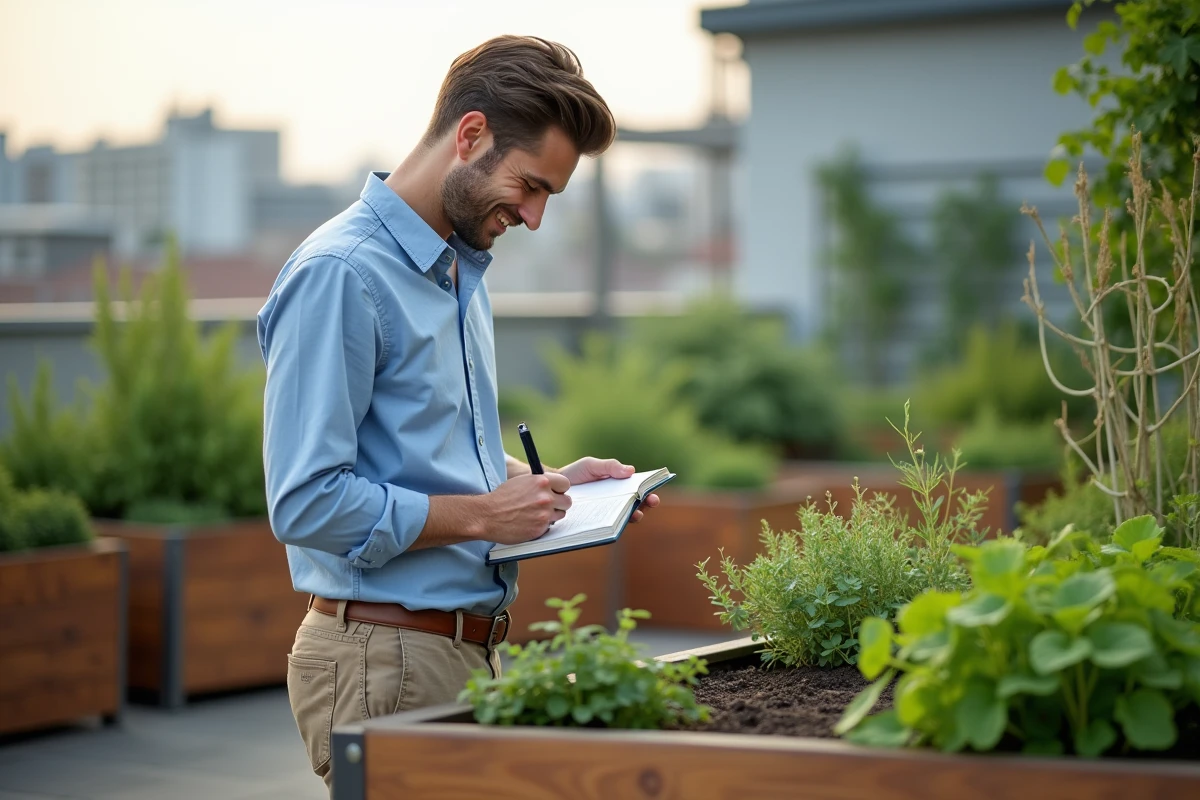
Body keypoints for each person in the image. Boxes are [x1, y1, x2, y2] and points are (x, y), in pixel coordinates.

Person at [256, 35, 660, 793]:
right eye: (530, 185)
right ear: (470, 135)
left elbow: (423, 452)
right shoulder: (341, 274)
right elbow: (305, 500)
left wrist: (547, 487)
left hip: (455, 653)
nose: (535, 217)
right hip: (385, 659)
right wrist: (482, 516)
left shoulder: (455, 270)